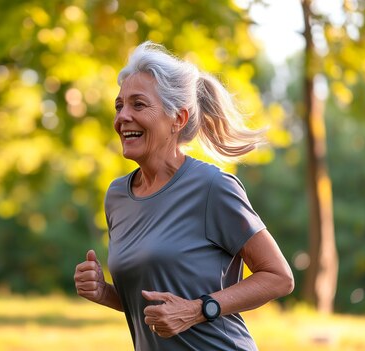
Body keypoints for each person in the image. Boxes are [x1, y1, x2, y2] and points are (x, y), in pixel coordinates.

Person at [74, 41, 294, 351]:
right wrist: (104, 292)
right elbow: (154, 307)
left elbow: (279, 277)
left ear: (177, 119)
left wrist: (198, 309)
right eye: (119, 105)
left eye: (138, 105)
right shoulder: (117, 196)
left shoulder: (212, 187)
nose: (122, 116)